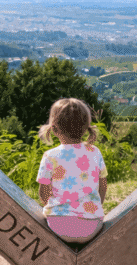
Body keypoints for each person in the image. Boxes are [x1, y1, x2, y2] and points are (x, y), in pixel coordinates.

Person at [35, 98, 108, 244]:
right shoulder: (95, 152)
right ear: (86, 127)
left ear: (54, 129)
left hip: (59, 225)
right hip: (92, 226)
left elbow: (44, 194)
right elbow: (103, 185)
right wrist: (95, 207)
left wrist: (48, 206)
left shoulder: (50, 156)